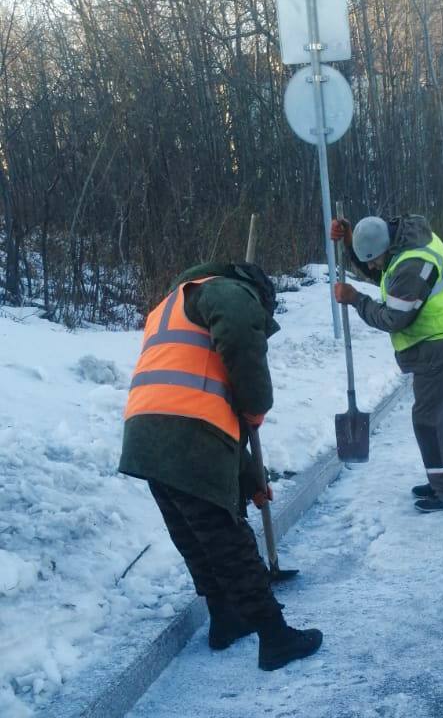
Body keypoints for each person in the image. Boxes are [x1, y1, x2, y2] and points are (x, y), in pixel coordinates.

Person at [119, 261, 322, 670]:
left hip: (148, 433)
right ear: (259, 294)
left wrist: (251, 480)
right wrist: (256, 403)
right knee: (228, 541)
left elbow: (208, 414)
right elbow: (240, 339)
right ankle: (275, 636)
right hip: (188, 434)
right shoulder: (229, 292)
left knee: (197, 536)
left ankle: (225, 619)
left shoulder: (173, 303)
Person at [330, 214, 443, 513]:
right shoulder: (405, 242)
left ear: (385, 247)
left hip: (439, 348)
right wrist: (351, 244)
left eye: (372, 259)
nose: (372, 267)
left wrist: (356, 299)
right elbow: (386, 275)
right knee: (440, 416)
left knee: (428, 420)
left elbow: (393, 318)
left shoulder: (413, 263)